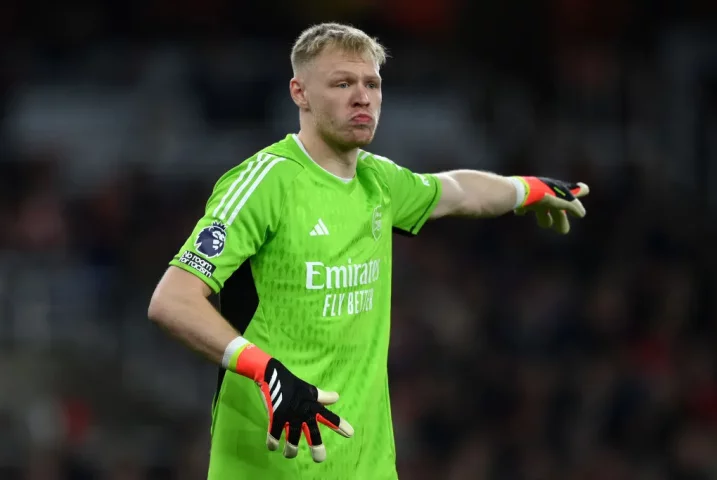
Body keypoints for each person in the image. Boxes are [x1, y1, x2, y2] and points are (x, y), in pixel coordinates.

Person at [148, 22, 589, 480]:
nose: (362, 97)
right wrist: (265, 369)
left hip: (366, 465)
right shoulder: (264, 184)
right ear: (300, 93)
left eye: (372, 84)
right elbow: (172, 301)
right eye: (342, 83)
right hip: (271, 463)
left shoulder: (378, 182)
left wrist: (525, 189)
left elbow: (457, 191)